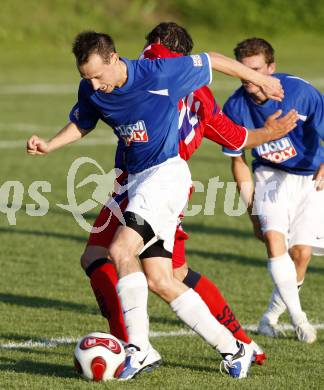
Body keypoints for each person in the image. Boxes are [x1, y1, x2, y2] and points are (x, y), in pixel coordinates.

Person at [26, 30, 285, 380]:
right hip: (136, 181)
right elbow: (82, 121)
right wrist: (49, 145)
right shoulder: (91, 88)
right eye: (87, 78)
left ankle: (139, 348)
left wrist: (260, 80)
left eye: (98, 75)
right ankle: (234, 349)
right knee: (162, 279)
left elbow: (212, 59)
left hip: (165, 177)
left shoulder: (157, 73)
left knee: (121, 250)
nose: (95, 84)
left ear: (114, 58)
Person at [222, 37, 324, 343]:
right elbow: (237, 162)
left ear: (271, 68)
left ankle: (270, 317)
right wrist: (252, 210)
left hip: (309, 178)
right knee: (273, 238)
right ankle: (300, 319)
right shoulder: (234, 107)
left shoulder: (301, 93)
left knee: (302, 254)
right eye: (243, 71)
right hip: (269, 175)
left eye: (256, 70)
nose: (249, 79)